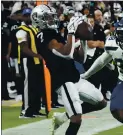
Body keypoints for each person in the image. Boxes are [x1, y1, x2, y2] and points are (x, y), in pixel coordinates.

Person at [31, 5, 107, 135]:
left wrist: (83, 40)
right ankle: (69, 116)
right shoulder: (42, 36)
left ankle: (62, 117)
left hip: (74, 77)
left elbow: (80, 58)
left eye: (51, 16)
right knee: (76, 119)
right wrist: (71, 32)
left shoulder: (54, 33)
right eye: (47, 17)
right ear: (39, 20)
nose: (51, 19)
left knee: (101, 103)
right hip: (63, 81)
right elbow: (66, 53)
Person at [16, 8, 45, 118]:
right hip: (27, 60)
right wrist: (37, 55)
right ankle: (25, 110)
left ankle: (35, 109)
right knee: (27, 85)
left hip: (37, 61)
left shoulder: (34, 29)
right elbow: (24, 48)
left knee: (36, 85)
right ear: (23, 17)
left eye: (30, 15)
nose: (28, 17)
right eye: (26, 15)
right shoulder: (21, 30)